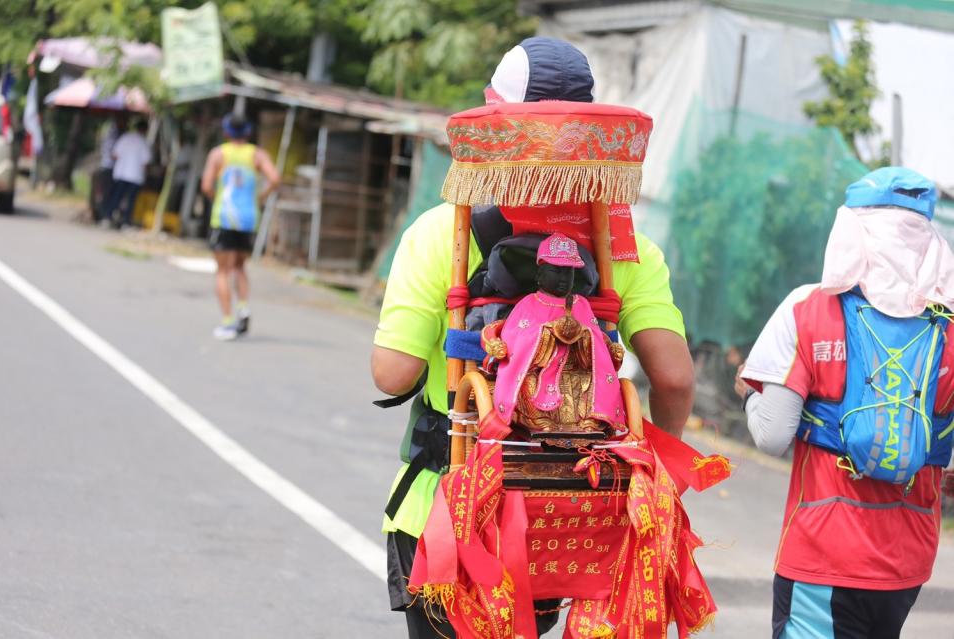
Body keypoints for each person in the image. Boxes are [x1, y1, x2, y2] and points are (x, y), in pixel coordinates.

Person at [372, 37, 695, 638]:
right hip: (565, 511)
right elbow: (674, 377)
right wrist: (657, 480)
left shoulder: (443, 231)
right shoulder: (623, 245)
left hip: (452, 507)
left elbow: (391, 374)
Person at [736, 167, 954, 639]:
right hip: (909, 558)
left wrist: (748, 396)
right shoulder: (949, 325)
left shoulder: (809, 307)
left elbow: (772, 436)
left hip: (823, 551)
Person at [200, 113, 280, 341]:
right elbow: (275, 178)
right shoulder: (257, 154)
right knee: (240, 267)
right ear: (247, 132)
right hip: (248, 218)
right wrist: (259, 198)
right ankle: (243, 306)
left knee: (223, 270)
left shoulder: (218, 154)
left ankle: (227, 323)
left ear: (226, 132)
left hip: (224, 217)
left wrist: (218, 198)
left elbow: (206, 185)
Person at [101, 119, 150, 228]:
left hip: (121, 173)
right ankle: (125, 222)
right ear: (145, 130)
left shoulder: (125, 138)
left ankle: (107, 218)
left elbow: (114, 155)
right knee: (131, 200)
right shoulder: (143, 142)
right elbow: (146, 162)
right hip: (135, 176)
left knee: (116, 197)